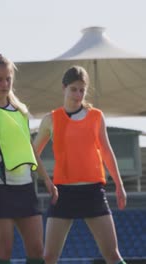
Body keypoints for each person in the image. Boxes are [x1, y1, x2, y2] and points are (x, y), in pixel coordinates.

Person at [0, 51, 58, 264]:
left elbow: (30, 149)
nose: (4, 83)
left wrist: (46, 179)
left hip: (25, 187)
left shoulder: (21, 111)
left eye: (8, 79)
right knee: (4, 250)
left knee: (37, 250)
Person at [33, 65, 127, 264]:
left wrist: (119, 184)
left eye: (82, 90)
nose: (78, 94)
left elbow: (107, 151)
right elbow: (32, 153)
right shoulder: (51, 119)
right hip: (63, 194)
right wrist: (47, 181)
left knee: (112, 255)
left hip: (93, 192)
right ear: (64, 88)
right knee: (48, 257)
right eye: (73, 89)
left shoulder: (96, 116)